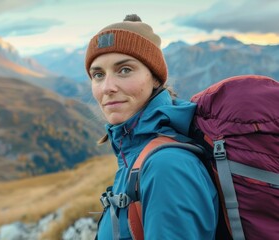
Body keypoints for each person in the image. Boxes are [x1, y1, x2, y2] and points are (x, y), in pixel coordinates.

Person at [85, 14, 218, 239]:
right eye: (98, 74)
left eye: (124, 70)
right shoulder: (135, 152)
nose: (107, 87)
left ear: (155, 78)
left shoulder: (166, 166)